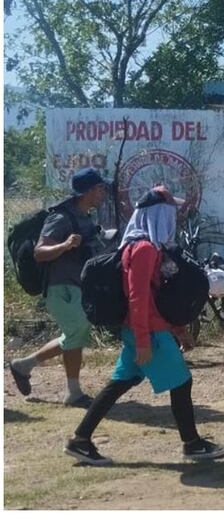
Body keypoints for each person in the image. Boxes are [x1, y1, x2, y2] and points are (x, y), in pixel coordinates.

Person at [64, 186, 224, 465]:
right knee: (182, 382)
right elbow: (137, 297)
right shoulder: (144, 249)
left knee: (120, 383)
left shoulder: (143, 246)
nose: (173, 218)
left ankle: (80, 440)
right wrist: (143, 340)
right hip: (148, 331)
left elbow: (154, 297)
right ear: (159, 214)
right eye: (170, 212)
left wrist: (178, 329)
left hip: (145, 328)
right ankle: (192, 444)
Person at [9, 168, 109, 407]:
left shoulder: (85, 218)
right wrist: (64, 245)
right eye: (99, 188)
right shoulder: (61, 218)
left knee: (75, 334)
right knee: (78, 329)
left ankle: (24, 366)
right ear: (87, 191)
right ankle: (72, 393)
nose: (102, 193)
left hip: (77, 286)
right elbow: (40, 252)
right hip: (59, 288)